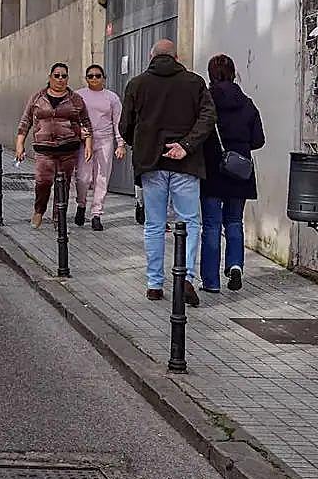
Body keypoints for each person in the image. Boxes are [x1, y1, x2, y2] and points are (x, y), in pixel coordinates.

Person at [119, 40, 216, 306]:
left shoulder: (137, 84)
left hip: (151, 163)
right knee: (190, 222)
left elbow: (125, 125)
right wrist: (185, 146)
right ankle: (185, 278)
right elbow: (208, 118)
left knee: (154, 225)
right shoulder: (194, 83)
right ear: (176, 56)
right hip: (186, 163)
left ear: (152, 57)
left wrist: (141, 144)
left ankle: (154, 284)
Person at [200, 54, 265, 293]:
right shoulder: (247, 103)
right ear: (233, 72)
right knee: (235, 222)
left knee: (212, 225)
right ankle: (236, 265)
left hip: (213, 169)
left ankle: (211, 281)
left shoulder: (206, 102)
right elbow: (258, 140)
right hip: (240, 171)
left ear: (210, 74)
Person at [16, 63, 94, 229]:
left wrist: (88, 145)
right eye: (57, 75)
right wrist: (19, 144)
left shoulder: (75, 99)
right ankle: (39, 211)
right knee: (43, 182)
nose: (60, 79)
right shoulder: (38, 97)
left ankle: (59, 219)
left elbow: (86, 122)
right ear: (50, 77)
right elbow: (26, 120)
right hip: (44, 149)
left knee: (63, 185)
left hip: (68, 149)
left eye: (64, 76)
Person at [74, 64, 126, 231]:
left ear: (104, 78)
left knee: (102, 177)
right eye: (90, 76)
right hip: (84, 142)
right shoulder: (78, 95)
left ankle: (97, 213)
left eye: (97, 76)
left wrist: (121, 144)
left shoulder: (112, 98)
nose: (94, 79)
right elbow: (72, 118)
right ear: (86, 78)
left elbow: (118, 121)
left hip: (105, 140)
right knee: (83, 177)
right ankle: (81, 204)